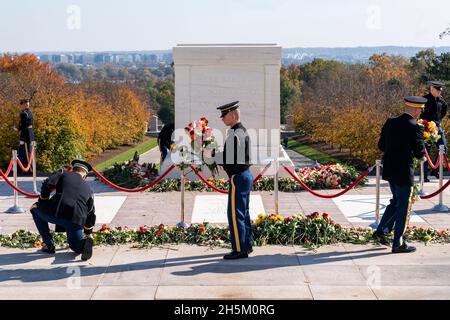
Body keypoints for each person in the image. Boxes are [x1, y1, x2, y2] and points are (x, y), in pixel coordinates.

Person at [373, 96, 426, 253]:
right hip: (404, 172)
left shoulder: (390, 122)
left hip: (390, 169)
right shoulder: (416, 127)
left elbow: (381, 146)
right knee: (403, 206)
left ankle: (381, 231)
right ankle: (398, 243)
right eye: (421, 110)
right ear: (416, 109)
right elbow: (419, 153)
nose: (421, 113)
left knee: (396, 201)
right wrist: (422, 148)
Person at [30, 160, 96, 261]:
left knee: (35, 208)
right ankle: (84, 244)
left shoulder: (63, 174)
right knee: (75, 247)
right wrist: (88, 233)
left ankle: (49, 244)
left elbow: (47, 184)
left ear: (73, 169)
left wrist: (43, 202)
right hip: (76, 220)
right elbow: (90, 213)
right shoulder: (89, 189)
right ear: (85, 175)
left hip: (58, 213)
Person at [212, 101, 253, 260]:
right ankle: (246, 245)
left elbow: (229, 159)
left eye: (224, 115)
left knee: (235, 215)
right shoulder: (239, 131)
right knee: (244, 213)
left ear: (233, 115)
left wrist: (210, 155)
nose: (222, 118)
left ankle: (239, 249)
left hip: (239, 176)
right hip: (244, 175)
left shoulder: (236, 134)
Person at [421, 81, 448, 182]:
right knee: (425, 151)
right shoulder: (424, 99)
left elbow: (444, 111)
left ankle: (435, 170)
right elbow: (419, 113)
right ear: (432, 89)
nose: (440, 92)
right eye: (438, 90)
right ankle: (424, 175)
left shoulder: (441, 101)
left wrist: (438, 122)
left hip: (437, 127)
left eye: (440, 90)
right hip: (426, 128)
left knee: (443, 148)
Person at [15, 98, 35, 174]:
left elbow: (24, 125)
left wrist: (17, 129)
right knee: (20, 153)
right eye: (25, 103)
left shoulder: (24, 113)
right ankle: (19, 170)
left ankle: (30, 170)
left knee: (27, 153)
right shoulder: (29, 112)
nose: (26, 104)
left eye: (26, 103)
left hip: (26, 136)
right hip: (28, 134)